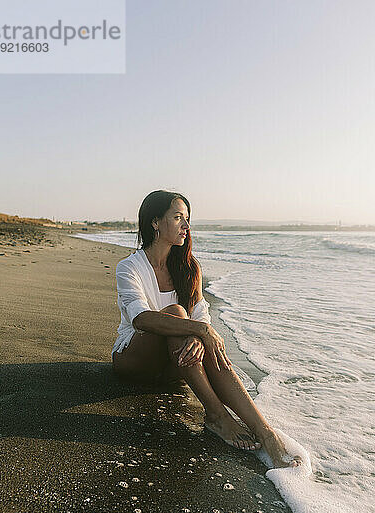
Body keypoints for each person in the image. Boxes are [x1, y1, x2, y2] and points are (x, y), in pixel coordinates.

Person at [112, 190, 301, 468]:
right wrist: (199, 330)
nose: (186, 227)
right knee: (179, 315)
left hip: (177, 364)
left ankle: (265, 431)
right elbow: (141, 318)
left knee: (209, 341)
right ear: (155, 222)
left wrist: (202, 334)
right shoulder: (129, 267)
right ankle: (217, 415)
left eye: (187, 219)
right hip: (136, 359)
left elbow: (202, 317)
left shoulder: (189, 267)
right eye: (178, 218)